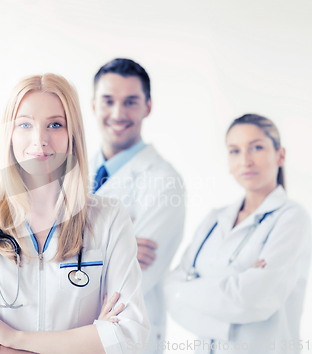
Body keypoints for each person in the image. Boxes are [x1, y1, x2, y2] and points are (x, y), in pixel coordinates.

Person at [0, 73, 150, 354]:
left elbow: (130, 337)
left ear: (72, 134)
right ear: (10, 134)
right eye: (24, 124)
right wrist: (94, 339)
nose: (39, 140)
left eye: (55, 124)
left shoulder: (109, 218)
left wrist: (12, 337)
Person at [165, 114, 312, 353]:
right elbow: (170, 292)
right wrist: (228, 301)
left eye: (256, 148)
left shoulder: (292, 218)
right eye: (234, 151)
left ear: (280, 155)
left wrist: (193, 289)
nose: (245, 160)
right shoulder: (214, 219)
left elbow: (248, 300)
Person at [90, 58, 185, 353]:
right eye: (108, 101)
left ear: (148, 106)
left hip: (126, 338)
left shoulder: (164, 181)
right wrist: (112, 246)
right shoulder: (70, 172)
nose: (118, 113)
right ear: (93, 104)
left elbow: (129, 282)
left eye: (131, 102)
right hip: (72, 335)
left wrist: (75, 243)